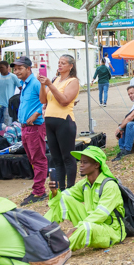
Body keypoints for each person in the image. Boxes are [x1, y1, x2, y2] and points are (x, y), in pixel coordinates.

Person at [45, 145, 125, 251]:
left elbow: (100, 215)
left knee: (86, 228)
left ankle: (55, 251)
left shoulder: (110, 186)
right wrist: (55, 192)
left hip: (110, 230)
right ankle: (39, 232)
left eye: (85, 162)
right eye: (80, 162)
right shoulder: (84, 184)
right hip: (90, 221)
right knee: (63, 200)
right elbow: (63, 197)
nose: (81, 165)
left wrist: (77, 228)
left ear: (97, 165)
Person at [40, 55, 80, 192]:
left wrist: (50, 85)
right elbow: (43, 99)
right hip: (50, 121)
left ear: (71, 66)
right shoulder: (56, 80)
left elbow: (64, 100)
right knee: (56, 158)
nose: (60, 65)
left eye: (63, 63)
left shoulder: (73, 81)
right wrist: (43, 84)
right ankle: (61, 188)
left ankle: (70, 188)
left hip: (64, 121)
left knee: (67, 157)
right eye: (59, 63)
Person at [12, 56, 48, 206]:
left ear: (28, 68)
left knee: (38, 159)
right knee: (33, 159)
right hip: (25, 128)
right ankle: (38, 189)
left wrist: (37, 113)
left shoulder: (35, 83)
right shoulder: (24, 84)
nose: (17, 71)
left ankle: (39, 191)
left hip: (35, 127)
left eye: (20, 68)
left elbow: (46, 101)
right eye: (15, 69)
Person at [0, 61, 20, 134]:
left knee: (7, 126)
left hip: (8, 105)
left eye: (2, 67)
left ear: (7, 67)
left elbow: (20, 88)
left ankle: (7, 139)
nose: (0, 69)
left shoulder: (13, 77)